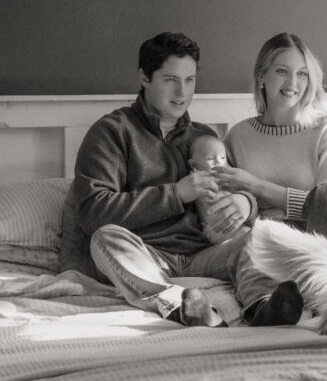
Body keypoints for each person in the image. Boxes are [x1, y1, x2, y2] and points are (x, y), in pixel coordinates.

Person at [61, 31, 303, 327]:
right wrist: (176, 194)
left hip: (205, 254)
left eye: (189, 80)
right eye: (170, 80)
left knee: (258, 236)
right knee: (105, 238)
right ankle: (180, 306)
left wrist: (245, 203)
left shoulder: (205, 138)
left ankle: (264, 307)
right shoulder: (112, 132)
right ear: (144, 77)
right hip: (145, 255)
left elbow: (232, 190)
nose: (182, 93)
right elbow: (92, 213)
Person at [222, 32, 327, 257]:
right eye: (282, 71)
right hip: (278, 242)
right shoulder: (238, 137)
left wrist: (257, 186)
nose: (293, 83)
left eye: (302, 74)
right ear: (261, 76)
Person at [188, 133, 248, 245]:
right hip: (218, 230)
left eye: (222, 158)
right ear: (193, 165)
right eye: (210, 158)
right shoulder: (200, 179)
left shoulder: (221, 174)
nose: (218, 162)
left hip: (232, 222)